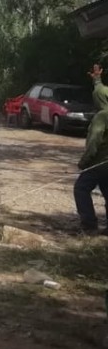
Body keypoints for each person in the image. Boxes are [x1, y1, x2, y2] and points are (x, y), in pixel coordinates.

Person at [74, 63, 108, 235]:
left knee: (81, 188)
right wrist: (97, 80)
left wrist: (83, 162)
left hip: (99, 163)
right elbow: (101, 91)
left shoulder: (102, 116)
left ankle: (89, 225)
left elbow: (94, 141)